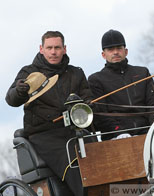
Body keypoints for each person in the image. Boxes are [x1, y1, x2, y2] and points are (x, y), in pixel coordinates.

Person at [6, 31, 93, 196]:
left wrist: (87, 105)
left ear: (64, 49)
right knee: (73, 160)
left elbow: (88, 99)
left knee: (100, 152)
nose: (54, 52)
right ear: (41, 49)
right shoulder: (28, 72)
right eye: (50, 48)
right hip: (44, 134)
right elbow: (11, 100)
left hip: (75, 131)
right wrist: (19, 91)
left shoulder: (76, 73)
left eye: (57, 48)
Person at [88, 29, 154, 140]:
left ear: (126, 51)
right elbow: (100, 114)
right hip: (115, 137)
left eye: (119, 48)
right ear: (103, 54)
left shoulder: (142, 73)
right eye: (110, 49)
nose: (115, 52)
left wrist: (152, 129)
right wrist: (118, 132)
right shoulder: (96, 80)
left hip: (148, 133)